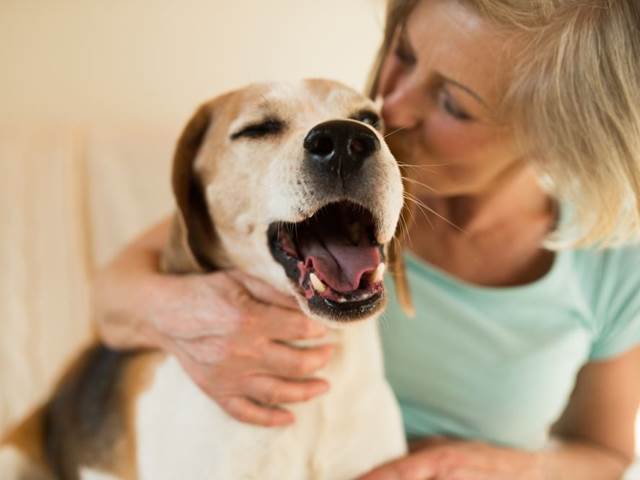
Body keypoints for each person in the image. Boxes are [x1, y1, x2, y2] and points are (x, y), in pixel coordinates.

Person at [93, 1, 640, 478]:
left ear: (557, 137)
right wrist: (198, 321)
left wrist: (511, 470)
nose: (392, 109)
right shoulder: (328, 172)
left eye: (453, 103)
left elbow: (607, 452)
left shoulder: (613, 262)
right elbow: (115, 298)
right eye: (403, 53)